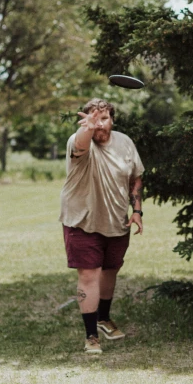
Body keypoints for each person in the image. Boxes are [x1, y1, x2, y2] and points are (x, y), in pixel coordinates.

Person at [59, 98, 144, 354]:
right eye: (93, 120)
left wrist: (137, 210)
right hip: (82, 220)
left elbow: (136, 177)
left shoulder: (125, 142)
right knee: (89, 275)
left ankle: (104, 318)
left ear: (113, 119)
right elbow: (81, 144)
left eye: (104, 119)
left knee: (110, 271)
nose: (99, 125)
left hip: (116, 219)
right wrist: (87, 127)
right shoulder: (80, 141)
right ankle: (91, 336)